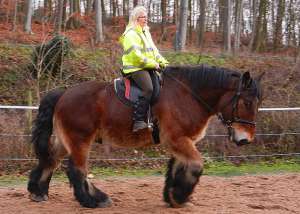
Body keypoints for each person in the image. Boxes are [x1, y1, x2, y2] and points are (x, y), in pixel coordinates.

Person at [119, 6, 168, 132]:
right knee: (148, 88)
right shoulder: (130, 34)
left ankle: (152, 119)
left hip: (147, 67)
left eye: (146, 17)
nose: (146, 19)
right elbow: (136, 56)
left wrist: (163, 62)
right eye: (143, 17)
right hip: (135, 68)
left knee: (158, 90)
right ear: (136, 18)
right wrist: (154, 64)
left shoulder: (145, 32)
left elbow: (154, 51)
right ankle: (138, 121)